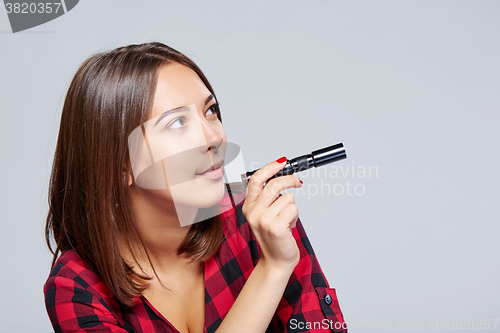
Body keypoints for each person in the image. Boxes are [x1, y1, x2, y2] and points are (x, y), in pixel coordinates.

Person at [44, 42, 347, 333]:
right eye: (176, 122)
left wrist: (279, 259)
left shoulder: (259, 218)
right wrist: (272, 270)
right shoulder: (76, 288)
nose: (213, 137)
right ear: (120, 165)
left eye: (210, 110)